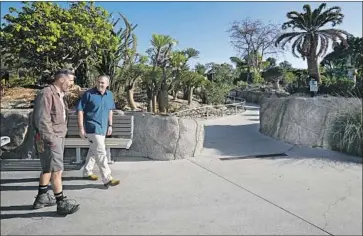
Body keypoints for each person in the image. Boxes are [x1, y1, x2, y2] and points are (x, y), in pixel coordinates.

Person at [32, 68, 80, 215]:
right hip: (51, 138)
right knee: (57, 171)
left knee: (48, 168)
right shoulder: (47, 93)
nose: (72, 84)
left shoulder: (60, 95)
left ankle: (42, 197)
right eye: (70, 80)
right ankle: (61, 203)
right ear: (61, 79)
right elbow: (42, 118)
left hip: (57, 136)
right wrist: (51, 139)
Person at [76, 75, 120, 187]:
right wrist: (81, 128)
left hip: (103, 128)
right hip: (92, 128)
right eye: (99, 82)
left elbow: (110, 110)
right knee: (101, 152)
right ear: (96, 82)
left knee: (93, 150)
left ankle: (87, 171)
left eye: (103, 83)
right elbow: (80, 110)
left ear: (107, 84)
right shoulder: (88, 94)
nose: (100, 84)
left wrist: (110, 125)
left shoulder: (109, 95)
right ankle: (107, 178)